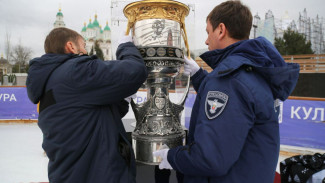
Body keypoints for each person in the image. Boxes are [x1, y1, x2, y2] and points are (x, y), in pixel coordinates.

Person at [153, 1, 300, 182]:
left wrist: (172, 157)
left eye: (208, 32)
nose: (206, 40)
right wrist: (200, 76)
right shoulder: (253, 70)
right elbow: (235, 104)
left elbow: (210, 158)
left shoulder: (229, 80)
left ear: (221, 30)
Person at [26, 27, 147, 183]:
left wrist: (123, 100)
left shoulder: (51, 81)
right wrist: (126, 46)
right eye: (83, 45)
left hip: (74, 173)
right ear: (71, 47)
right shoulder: (75, 71)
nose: (86, 51)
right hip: (98, 174)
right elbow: (135, 71)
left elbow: (88, 116)